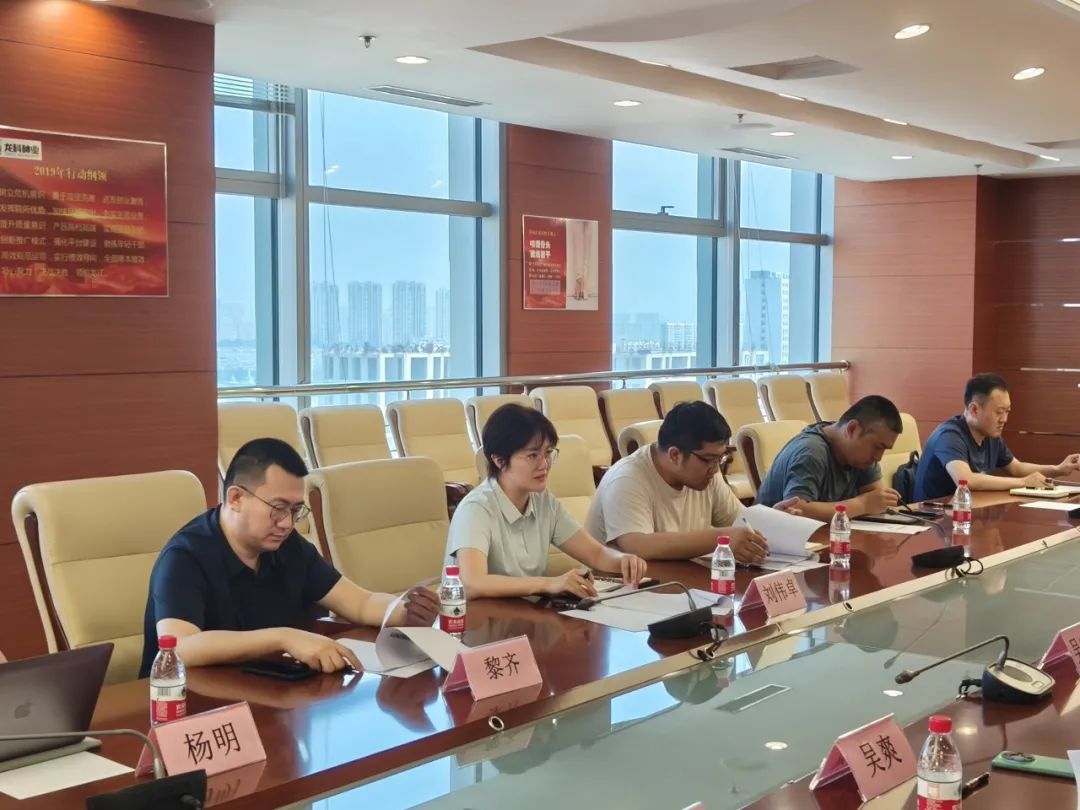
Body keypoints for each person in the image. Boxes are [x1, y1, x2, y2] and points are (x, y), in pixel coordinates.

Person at [140, 438, 440, 678]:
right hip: (190, 704)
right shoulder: (185, 557)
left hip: (270, 689)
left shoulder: (287, 545)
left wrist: (404, 612)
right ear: (236, 498)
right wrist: (284, 638)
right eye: (278, 508)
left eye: (296, 510)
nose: (286, 523)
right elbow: (181, 647)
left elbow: (360, 603)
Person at [447, 404, 647, 599]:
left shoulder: (543, 501)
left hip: (525, 613)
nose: (544, 464)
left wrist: (623, 560)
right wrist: (549, 584)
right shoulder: (476, 509)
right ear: (499, 460)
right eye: (532, 455)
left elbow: (595, 554)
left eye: (548, 452)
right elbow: (472, 582)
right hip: (477, 616)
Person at [586, 401, 795, 564]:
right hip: (618, 590)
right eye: (709, 459)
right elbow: (637, 545)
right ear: (675, 455)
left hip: (678, 580)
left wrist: (771, 521)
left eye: (720, 458)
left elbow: (739, 522)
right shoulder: (627, 478)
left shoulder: (706, 473)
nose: (716, 468)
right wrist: (721, 538)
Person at [913, 373, 1080, 501]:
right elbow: (966, 480)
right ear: (974, 409)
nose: (1004, 419)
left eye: (1007, 411)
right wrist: (1024, 482)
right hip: (936, 520)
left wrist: (1058, 469)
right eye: (999, 412)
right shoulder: (949, 435)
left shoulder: (990, 435)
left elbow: (1016, 468)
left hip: (972, 513)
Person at [755, 395, 903, 521]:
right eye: (878, 447)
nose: (879, 457)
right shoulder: (811, 451)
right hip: (772, 540)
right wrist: (862, 505)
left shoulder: (860, 454)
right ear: (852, 429)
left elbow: (876, 501)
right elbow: (795, 510)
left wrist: (876, 501)